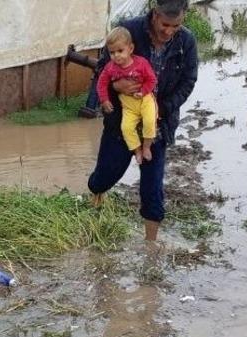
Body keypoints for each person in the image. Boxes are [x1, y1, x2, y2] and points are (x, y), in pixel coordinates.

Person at [88, 0, 199, 242]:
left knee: (152, 189)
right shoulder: (128, 31)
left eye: (176, 25)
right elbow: (101, 72)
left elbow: (188, 81)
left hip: (157, 125)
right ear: (155, 13)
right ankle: (94, 203)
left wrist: (164, 108)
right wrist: (116, 86)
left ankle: (150, 247)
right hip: (121, 122)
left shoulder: (186, 42)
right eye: (164, 24)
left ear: (184, 19)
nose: (169, 31)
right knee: (105, 176)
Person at [96, 26, 158, 164]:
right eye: (112, 52)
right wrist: (104, 100)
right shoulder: (110, 68)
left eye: (120, 51)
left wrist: (143, 91)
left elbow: (152, 79)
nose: (116, 55)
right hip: (128, 106)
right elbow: (101, 84)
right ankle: (137, 151)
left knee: (149, 121)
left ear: (130, 49)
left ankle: (147, 147)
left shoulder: (141, 63)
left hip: (145, 100)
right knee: (126, 128)